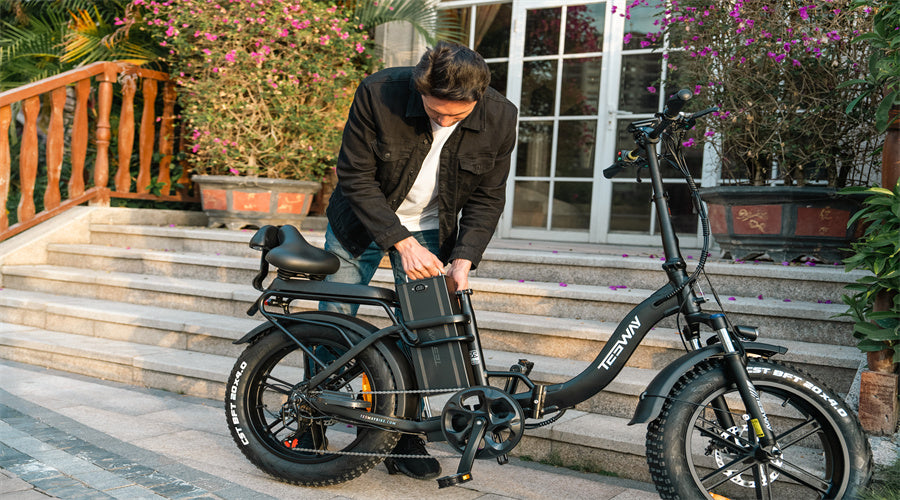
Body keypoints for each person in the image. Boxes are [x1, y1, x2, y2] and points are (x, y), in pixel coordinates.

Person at [319, 41, 518, 479]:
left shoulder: (502, 116)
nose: (444, 121)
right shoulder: (379, 92)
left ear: (478, 97)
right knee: (334, 320)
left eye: (455, 116)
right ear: (420, 88)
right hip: (362, 220)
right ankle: (312, 418)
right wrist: (400, 242)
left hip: (431, 228)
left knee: (424, 334)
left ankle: (404, 437)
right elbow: (355, 174)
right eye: (435, 111)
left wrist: (464, 258)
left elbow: (488, 197)